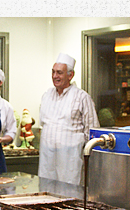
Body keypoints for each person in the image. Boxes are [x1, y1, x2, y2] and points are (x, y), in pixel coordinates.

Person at [38, 53, 99, 185]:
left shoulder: (82, 97)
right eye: (53, 72)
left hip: (71, 162)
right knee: (46, 195)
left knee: (69, 196)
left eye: (59, 73)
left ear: (70, 75)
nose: (55, 76)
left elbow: (93, 133)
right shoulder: (46, 96)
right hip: (47, 161)